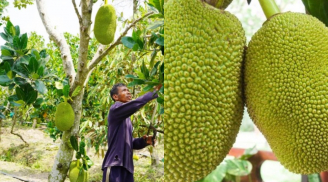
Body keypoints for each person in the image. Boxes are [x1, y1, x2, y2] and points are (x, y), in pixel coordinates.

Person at [102, 83, 161, 182]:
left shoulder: (126, 117)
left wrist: (144, 141)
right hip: (115, 166)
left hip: (127, 168)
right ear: (115, 97)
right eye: (124, 90)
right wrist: (154, 92)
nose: (128, 92)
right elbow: (136, 104)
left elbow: (130, 143)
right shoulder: (115, 109)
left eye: (128, 90)